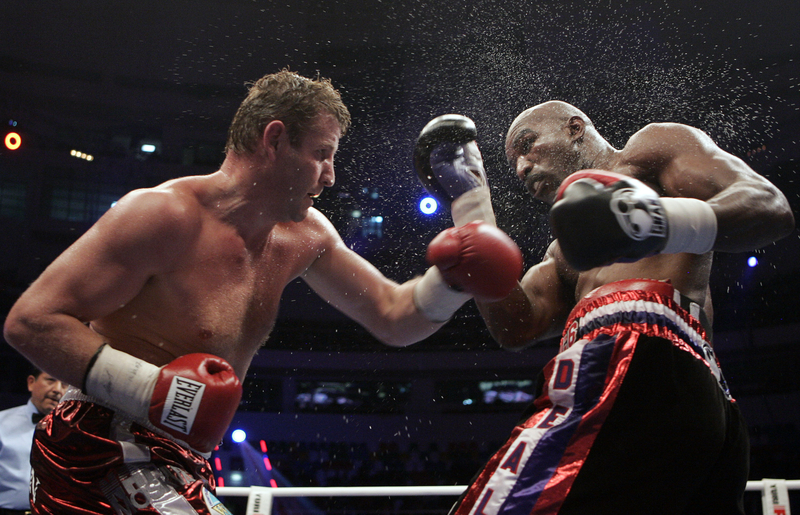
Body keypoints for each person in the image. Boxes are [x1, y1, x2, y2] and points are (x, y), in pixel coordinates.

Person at [2, 70, 522, 515]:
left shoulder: (306, 236)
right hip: (102, 444)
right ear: (274, 140)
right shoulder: (164, 215)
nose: (330, 176)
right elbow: (31, 321)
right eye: (321, 154)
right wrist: (152, 391)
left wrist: (454, 276)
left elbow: (394, 316)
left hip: (184, 459)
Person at [413, 102, 795, 514]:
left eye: (528, 145)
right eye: (513, 164)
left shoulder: (650, 150)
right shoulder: (564, 254)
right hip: (698, 401)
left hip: (633, 361)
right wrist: (470, 211)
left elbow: (769, 205)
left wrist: (649, 220)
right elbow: (517, 327)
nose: (522, 167)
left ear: (575, 128)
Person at [0, 368, 67, 515]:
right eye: (50, 380)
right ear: (31, 382)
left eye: (64, 385)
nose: (57, 389)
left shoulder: (75, 433)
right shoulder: (1, 423)